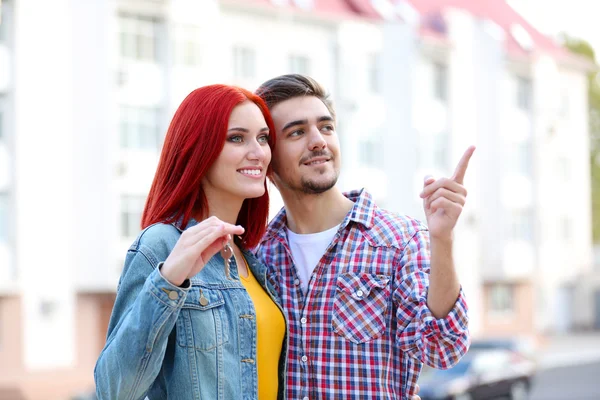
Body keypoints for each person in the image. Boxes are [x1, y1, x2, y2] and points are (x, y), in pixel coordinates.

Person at [255, 74, 472, 400]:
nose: (318, 141)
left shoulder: (400, 241)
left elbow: (442, 349)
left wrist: (443, 239)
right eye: (297, 132)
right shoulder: (257, 257)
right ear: (268, 160)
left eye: (326, 127)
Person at [94, 84, 287, 399]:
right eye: (236, 138)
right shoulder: (161, 244)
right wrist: (169, 280)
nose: (258, 152)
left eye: (263, 138)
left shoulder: (254, 257)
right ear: (199, 149)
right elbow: (115, 390)